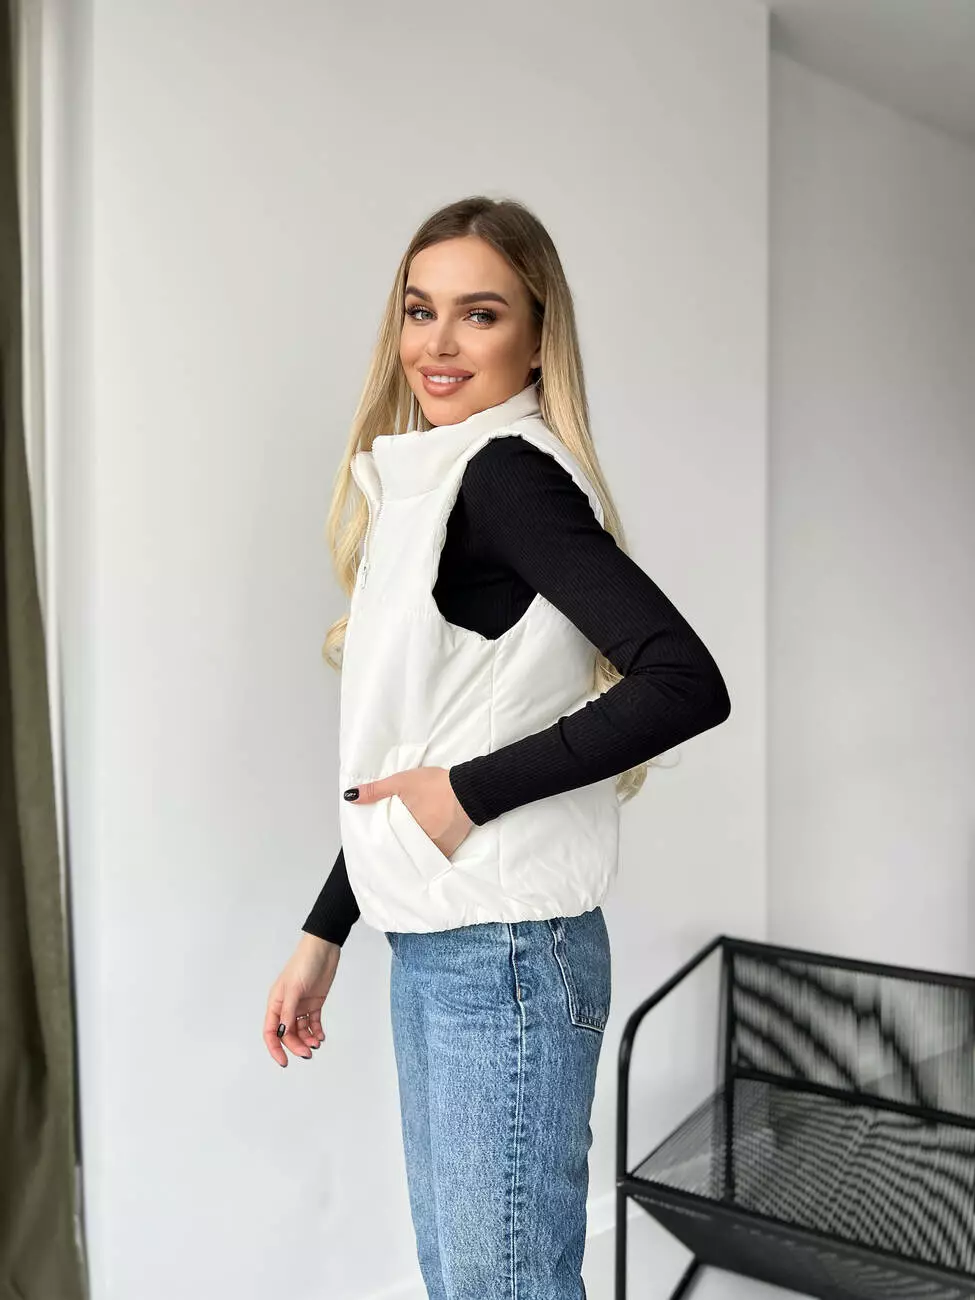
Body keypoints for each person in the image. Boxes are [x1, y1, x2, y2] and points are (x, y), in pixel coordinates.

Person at [262, 195, 731, 1298]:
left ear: (536, 335)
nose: (438, 343)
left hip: (507, 952)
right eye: (419, 310)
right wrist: (326, 929)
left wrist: (467, 794)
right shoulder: (428, 482)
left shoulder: (505, 475)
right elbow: (408, 750)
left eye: (479, 314)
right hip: (440, 940)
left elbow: (683, 680)